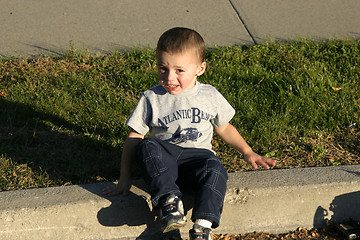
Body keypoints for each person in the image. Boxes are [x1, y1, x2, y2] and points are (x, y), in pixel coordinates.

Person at [102, 27, 276, 240]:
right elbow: (134, 137)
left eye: (179, 71)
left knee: (216, 168)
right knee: (147, 146)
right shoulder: (151, 97)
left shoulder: (209, 95)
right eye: (163, 68)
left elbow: (224, 127)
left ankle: (202, 227)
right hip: (163, 164)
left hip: (197, 160)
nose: (170, 77)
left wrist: (247, 152)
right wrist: (125, 177)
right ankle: (170, 203)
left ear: (200, 69)